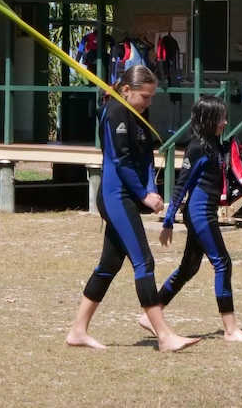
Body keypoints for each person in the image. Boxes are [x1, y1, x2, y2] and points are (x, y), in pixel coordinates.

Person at [66, 65, 199, 353]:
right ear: (127, 91)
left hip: (132, 194)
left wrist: (151, 189)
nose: (148, 102)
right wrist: (143, 195)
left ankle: (78, 331)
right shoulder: (114, 112)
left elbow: (146, 159)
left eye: (151, 97)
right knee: (144, 261)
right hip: (115, 196)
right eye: (145, 96)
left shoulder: (140, 114)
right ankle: (164, 336)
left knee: (110, 264)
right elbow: (121, 161)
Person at [138, 95, 242, 343]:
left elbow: (232, 162)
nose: (225, 122)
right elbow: (181, 187)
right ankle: (230, 330)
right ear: (207, 120)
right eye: (220, 118)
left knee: (189, 268)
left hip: (206, 212)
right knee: (223, 263)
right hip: (199, 213)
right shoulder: (196, 148)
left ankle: (150, 315)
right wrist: (167, 222)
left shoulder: (215, 144)